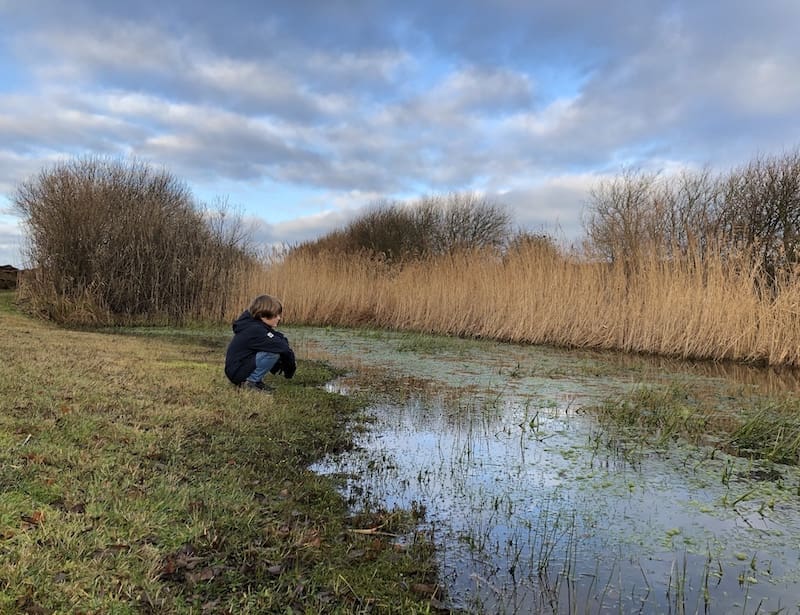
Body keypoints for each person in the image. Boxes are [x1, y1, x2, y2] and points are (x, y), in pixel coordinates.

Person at [224, 294, 296, 392]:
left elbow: (280, 338)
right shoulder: (255, 330)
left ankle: (255, 381)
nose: (279, 318)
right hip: (236, 372)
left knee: (274, 345)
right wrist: (290, 369)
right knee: (273, 352)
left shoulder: (255, 326)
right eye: (275, 315)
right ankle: (250, 382)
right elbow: (281, 347)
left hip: (237, 369)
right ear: (262, 315)